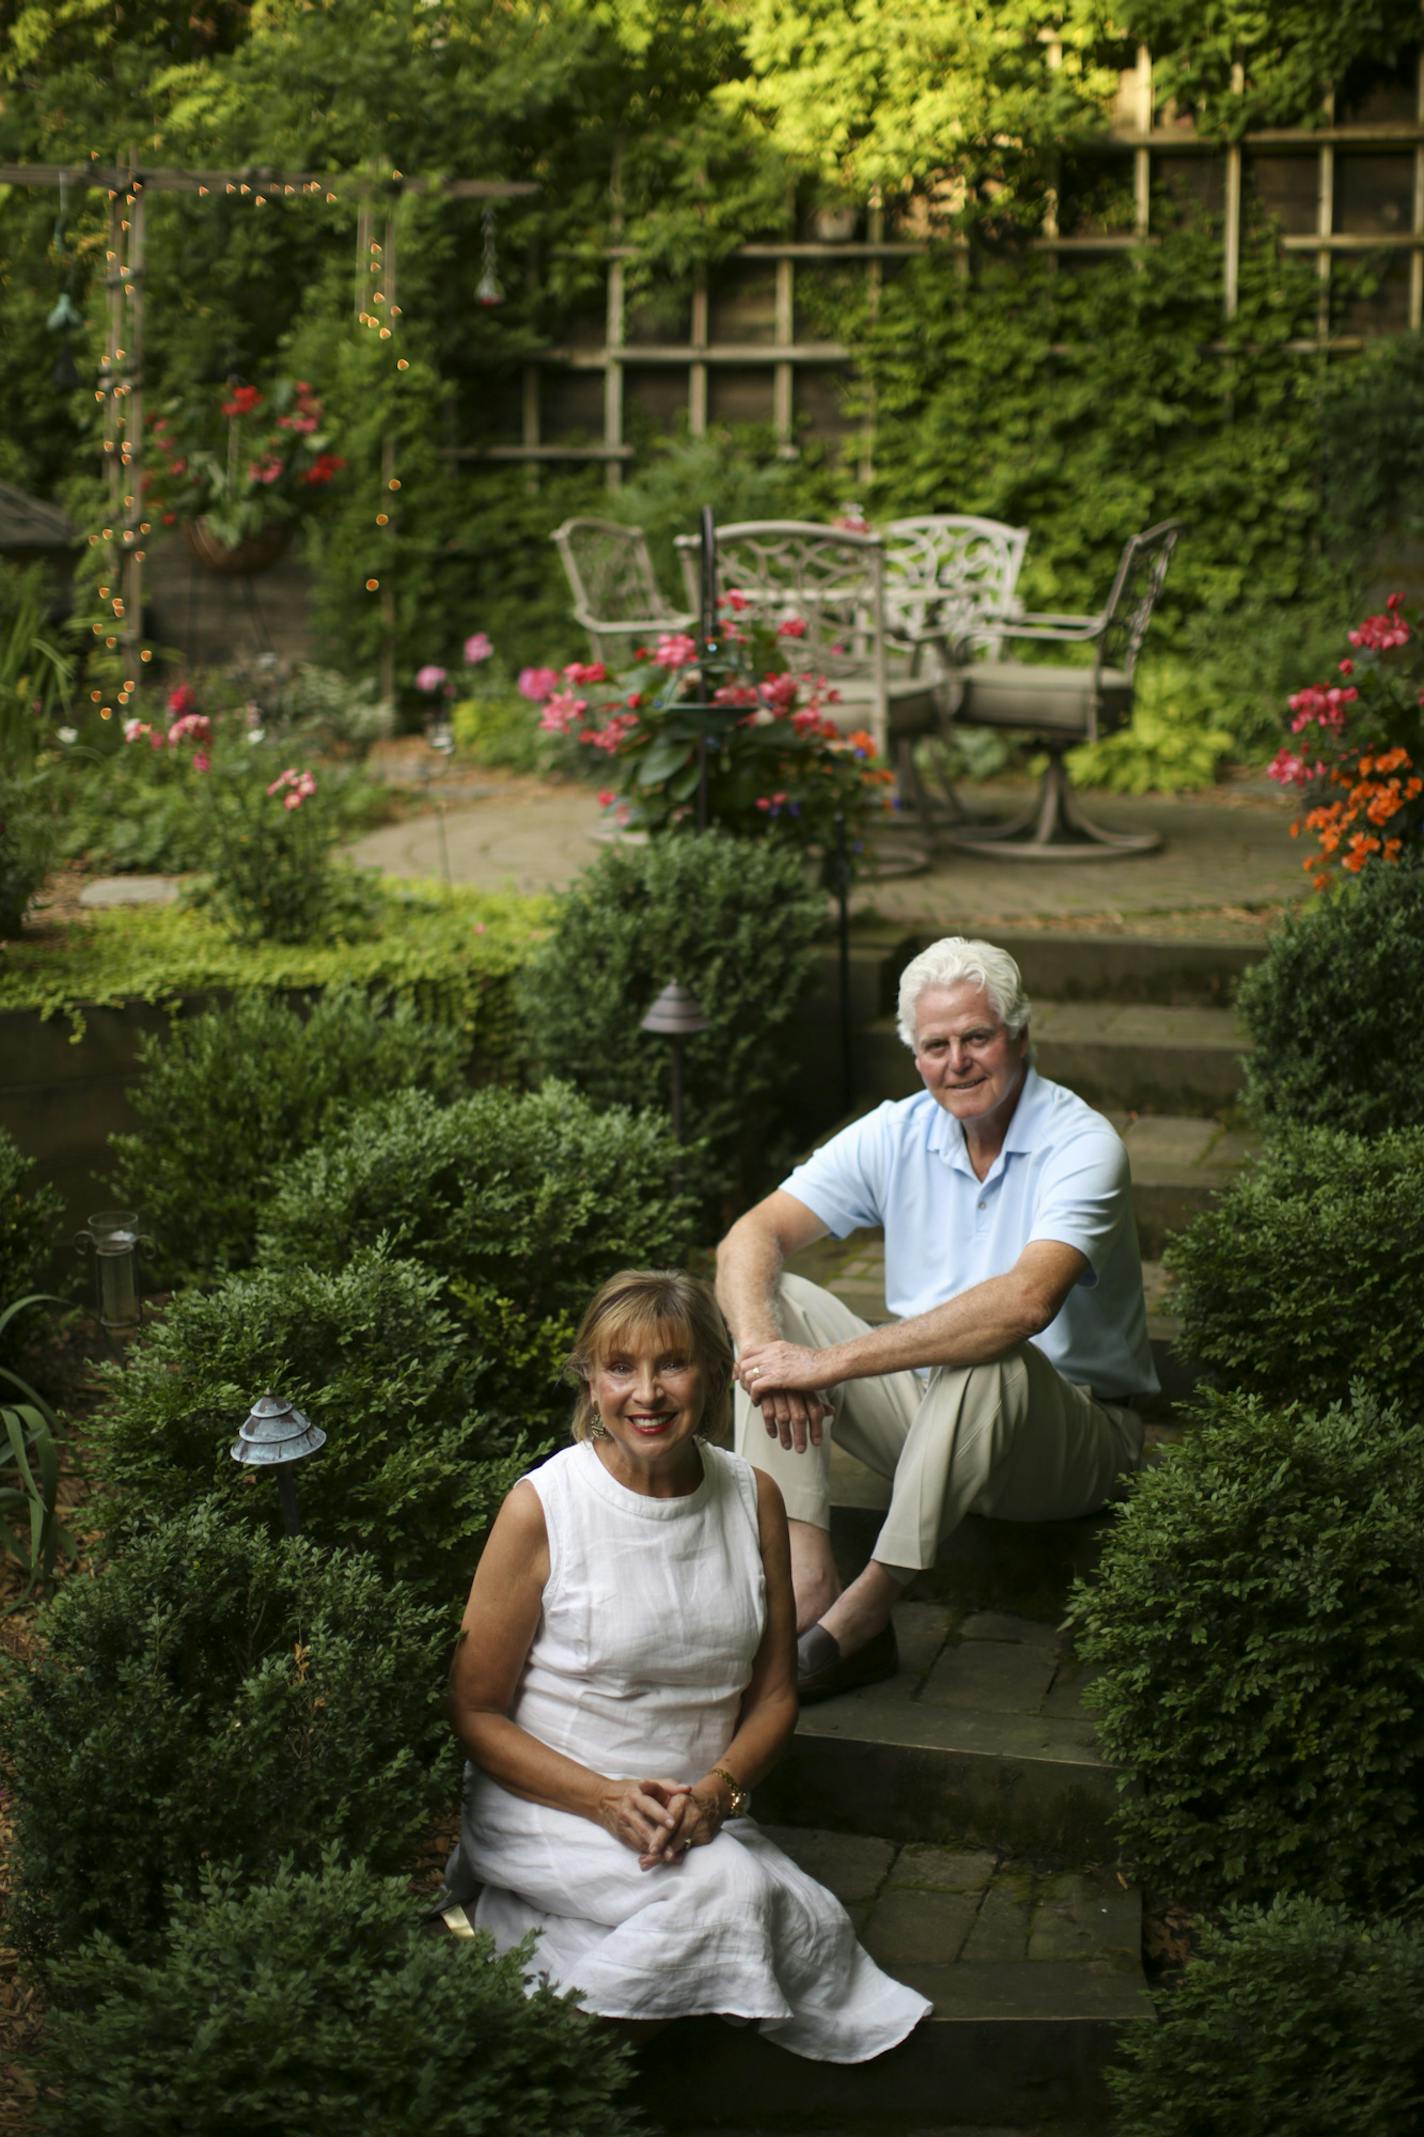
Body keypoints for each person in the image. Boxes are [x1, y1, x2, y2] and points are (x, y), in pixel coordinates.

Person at [447, 1267, 930, 2061]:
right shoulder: (544, 1507)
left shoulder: (753, 1497)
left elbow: (775, 1696)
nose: (647, 1393)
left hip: (691, 1821)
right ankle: (537, 2057)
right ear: (591, 1378)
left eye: (670, 1363)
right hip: (554, 1803)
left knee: (797, 1915)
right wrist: (603, 1798)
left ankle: (517, 1947)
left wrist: (718, 1790)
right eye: (620, 1367)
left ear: (711, 1374)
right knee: (746, 1897)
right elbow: (473, 1710)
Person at [716, 937, 1156, 1704]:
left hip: (1074, 1438)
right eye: (936, 1045)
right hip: (928, 1418)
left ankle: (864, 1612)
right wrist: (764, 1351)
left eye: (977, 1037)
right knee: (773, 1303)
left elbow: (1024, 1304)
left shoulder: (1083, 1145)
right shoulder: (898, 1130)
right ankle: (810, 1578)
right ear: (914, 1055)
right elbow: (750, 1234)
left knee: (990, 1349)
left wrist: (825, 1366)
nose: (958, 1061)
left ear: (1019, 1034)